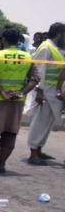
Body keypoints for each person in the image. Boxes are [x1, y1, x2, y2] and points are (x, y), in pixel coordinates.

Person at [0, 28, 40, 173]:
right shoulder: (27, 57)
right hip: (16, 102)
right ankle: (1, 164)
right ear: (19, 41)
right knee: (10, 132)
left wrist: (1, 91)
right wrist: (21, 92)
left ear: (3, 40)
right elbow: (35, 78)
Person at [25, 22, 64, 164]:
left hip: (52, 91)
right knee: (40, 122)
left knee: (47, 122)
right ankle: (33, 153)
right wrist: (39, 91)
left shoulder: (54, 48)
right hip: (45, 91)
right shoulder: (46, 48)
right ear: (60, 34)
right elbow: (40, 70)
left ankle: (39, 149)